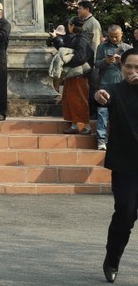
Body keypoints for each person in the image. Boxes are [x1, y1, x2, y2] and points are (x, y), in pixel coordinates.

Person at [93, 48, 138, 283]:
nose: (132, 72)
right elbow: (102, 94)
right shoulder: (116, 90)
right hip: (125, 165)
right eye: (128, 67)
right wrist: (100, 95)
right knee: (126, 212)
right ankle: (112, 260)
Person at [55, 16, 95, 135]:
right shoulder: (78, 38)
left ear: (72, 26)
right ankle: (74, 124)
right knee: (70, 99)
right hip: (73, 75)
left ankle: (86, 126)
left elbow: (80, 57)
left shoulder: (81, 39)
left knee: (79, 100)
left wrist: (66, 60)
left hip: (80, 75)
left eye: (70, 25)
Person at [95, 26, 130, 151]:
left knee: (121, 113)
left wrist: (122, 62)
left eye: (117, 36)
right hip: (105, 83)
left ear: (121, 34)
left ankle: (121, 140)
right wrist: (106, 61)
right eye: (111, 36)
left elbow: (133, 67)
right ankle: (101, 140)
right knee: (102, 113)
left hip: (123, 84)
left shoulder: (127, 48)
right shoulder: (102, 47)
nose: (114, 38)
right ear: (108, 35)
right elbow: (96, 64)